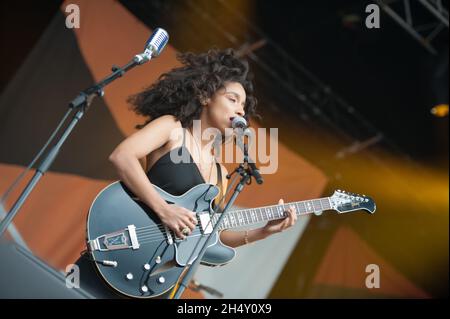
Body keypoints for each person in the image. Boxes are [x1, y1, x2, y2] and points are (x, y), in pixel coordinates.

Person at [75, 48, 297, 298]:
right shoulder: (172, 128)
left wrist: (264, 232)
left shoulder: (220, 173)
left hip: (155, 278)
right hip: (123, 250)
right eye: (233, 99)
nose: (240, 110)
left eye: (243, 106)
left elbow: (211, 234)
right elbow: (122, 156)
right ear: (205, 96)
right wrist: (165, 210)